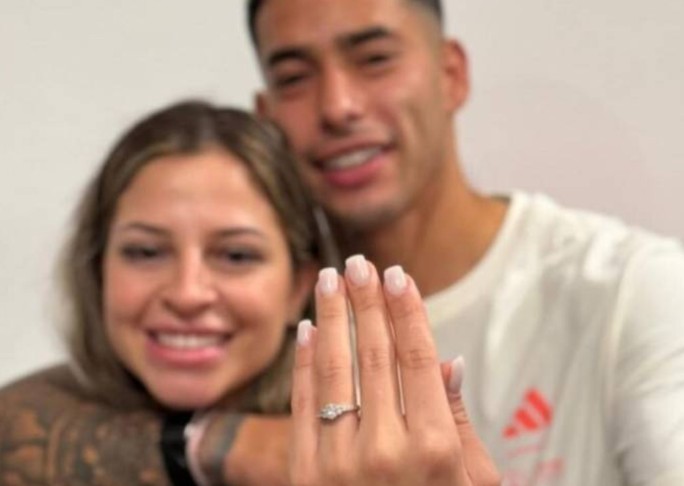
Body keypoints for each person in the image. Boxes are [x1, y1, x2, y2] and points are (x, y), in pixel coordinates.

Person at [240, 0, 684, 485]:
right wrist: (211, 440)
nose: (338, 106)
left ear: (451, 74)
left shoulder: (634, 289)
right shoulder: (253, 321)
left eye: (375, 60)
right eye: (294, 78)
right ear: (265, 116)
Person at [0, 99, 499, 486]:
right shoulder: (38, 417)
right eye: (146, 252)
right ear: (98, 270)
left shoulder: (387, 461)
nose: (188, 293)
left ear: (298, 286)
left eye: (237, 256)